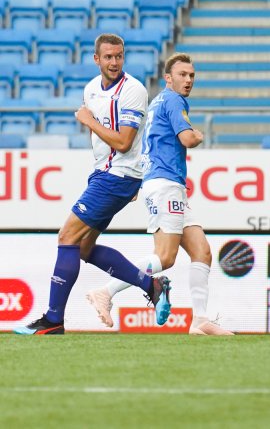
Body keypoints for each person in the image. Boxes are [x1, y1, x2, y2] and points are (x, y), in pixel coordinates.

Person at [14, 34, 171, 335]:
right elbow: (100, 140)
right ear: (96, 59)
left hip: (118, 176)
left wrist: (89, 122)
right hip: (106, 174)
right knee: (83, 247)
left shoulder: (133, 90)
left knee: (67, 236)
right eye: (108, 57)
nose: (114, 62)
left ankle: (53, 318)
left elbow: (124, 143)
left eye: (119, 56)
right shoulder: (91, 89)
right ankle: (151, 285)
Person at [85, 53, 233, 336]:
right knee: (165, 257)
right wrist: (199, 134)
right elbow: (188, 138)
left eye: (191, 75)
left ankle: (200, 319)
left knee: (201, 251)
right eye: (182, 75)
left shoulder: (157, 103)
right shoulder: (174, 100)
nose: (188, 80)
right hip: (165, 184)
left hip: (163, 182)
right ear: (168, 78)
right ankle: (105, 291)